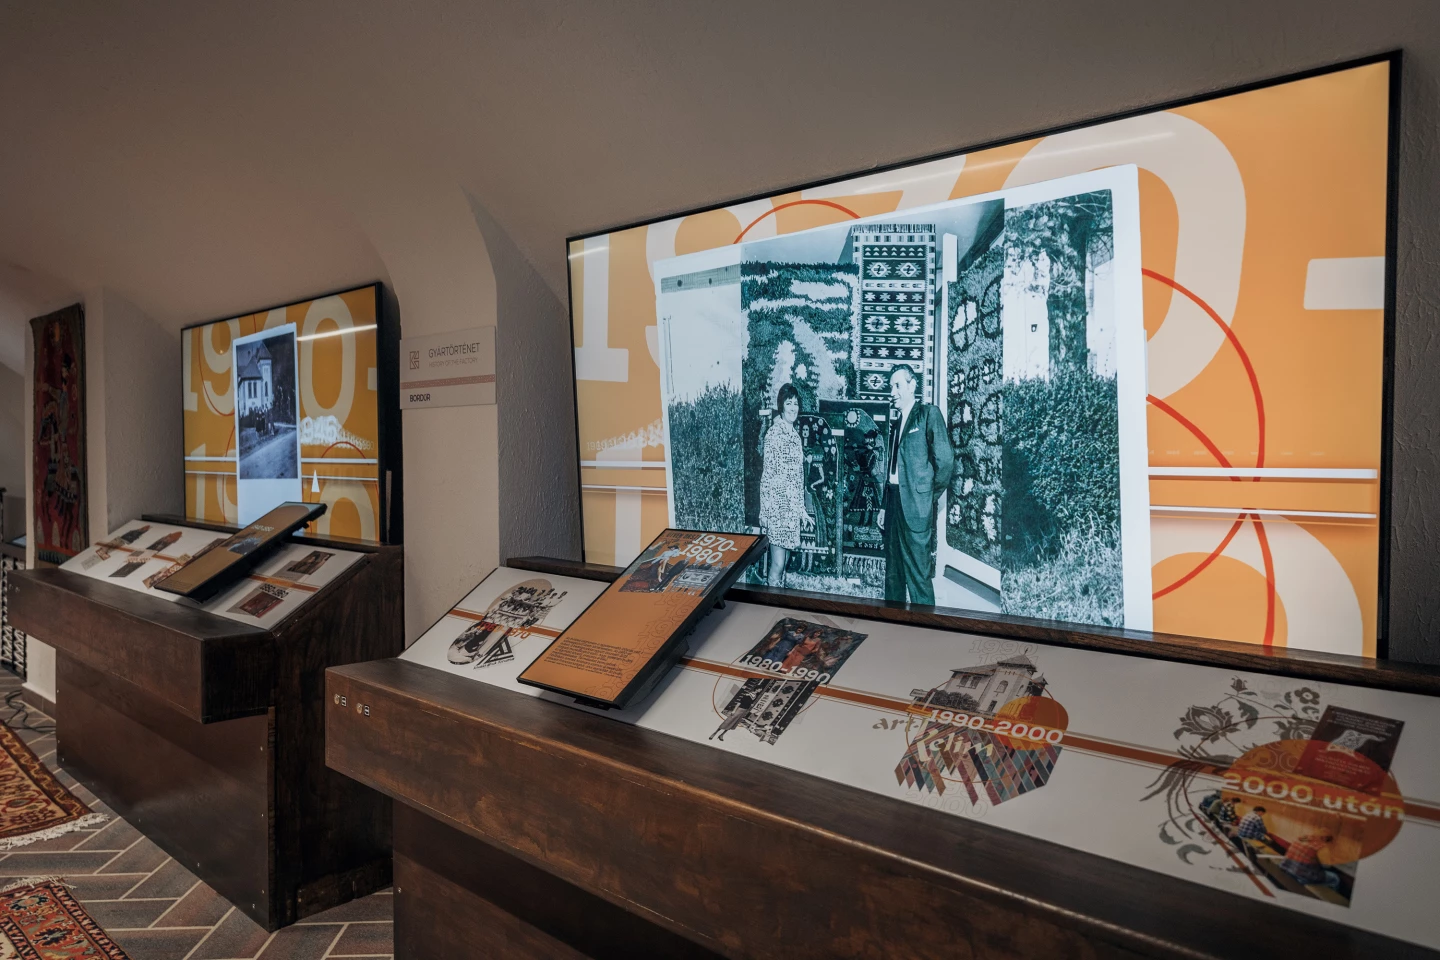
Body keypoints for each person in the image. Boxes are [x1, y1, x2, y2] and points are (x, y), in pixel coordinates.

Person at [879, 365, 954, 604]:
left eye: (897, 385)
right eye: (890, 386)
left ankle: (925, 624)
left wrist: (927, 495)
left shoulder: (928, 414)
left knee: (919, 578)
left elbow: (946, 461)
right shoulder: (896, 423)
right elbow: (891, 470)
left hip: (916, 507)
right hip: (893, 504)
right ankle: (893, 622)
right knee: (893, 575)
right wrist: (884, 506)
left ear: (912, 385)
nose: (892, 392)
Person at [759, 383, 806, 587]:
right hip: (777, 508)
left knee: (784, 562)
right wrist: (764, 511)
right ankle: (771, 600)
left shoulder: (795, 436)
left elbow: (798, 478)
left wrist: (801, 510)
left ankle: (779, 596)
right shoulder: (773, 434)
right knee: (777, 563)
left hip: (791, 511)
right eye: (789, 403)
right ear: (781, 406)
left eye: (796, 403)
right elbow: (767, 475)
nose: (793, 408)